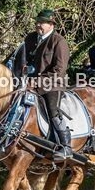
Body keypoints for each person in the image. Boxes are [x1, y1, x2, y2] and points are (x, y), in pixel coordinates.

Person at [24, 9, 72, 162]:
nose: (38, 25)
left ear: (51, 24)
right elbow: (22, 58)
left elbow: (59, 70)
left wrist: (37, 81)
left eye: (42, 22)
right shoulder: (30, 38)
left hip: (52, 85)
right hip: (27, 83)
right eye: (37, 22)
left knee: (53, 110)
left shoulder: (59, 42)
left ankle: (66, 145)